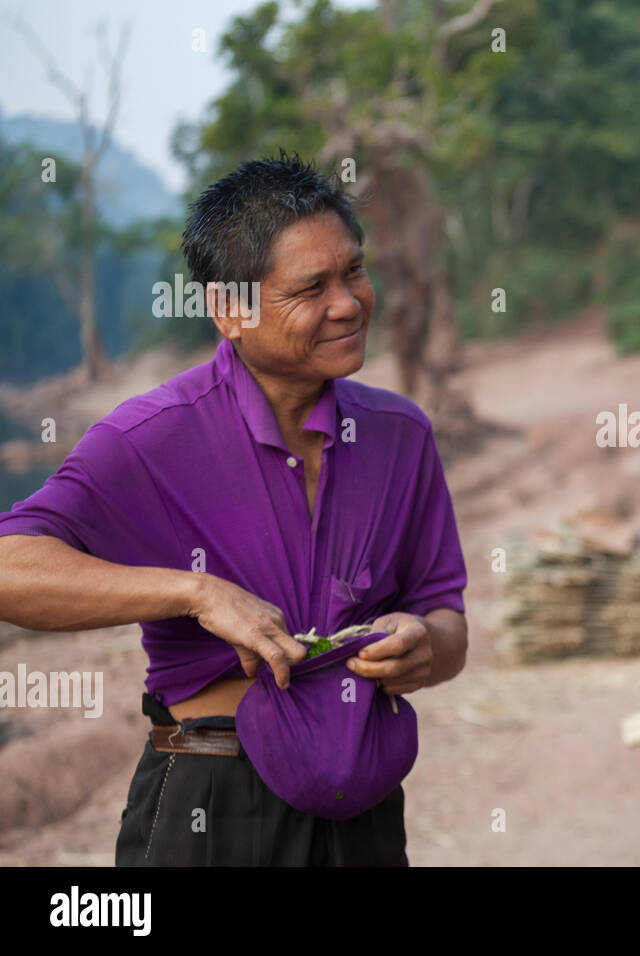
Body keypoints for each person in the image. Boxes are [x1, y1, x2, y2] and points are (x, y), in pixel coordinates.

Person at [0, 154, 469, 865]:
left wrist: (423, 646)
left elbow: (449, 626)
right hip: (210, 802)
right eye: (311, 287)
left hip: (366, 818)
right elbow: (10, 568)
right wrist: (194, 592)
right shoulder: (148, 438)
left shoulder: (401, 435)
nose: (347, 302)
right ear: (230, 310)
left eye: (354, 272)